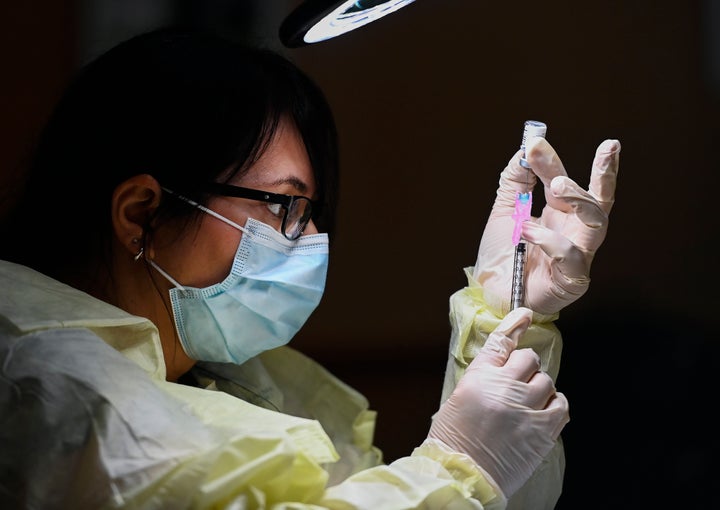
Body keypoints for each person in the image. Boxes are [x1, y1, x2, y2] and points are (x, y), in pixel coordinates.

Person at [0, 27, 620, 509]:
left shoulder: (238, 380)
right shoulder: (53, 391)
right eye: (285, 206)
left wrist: (508, 313)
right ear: (141, 214)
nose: (313, 239)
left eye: (312, 210)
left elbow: (488, 495)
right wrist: (456, 465)